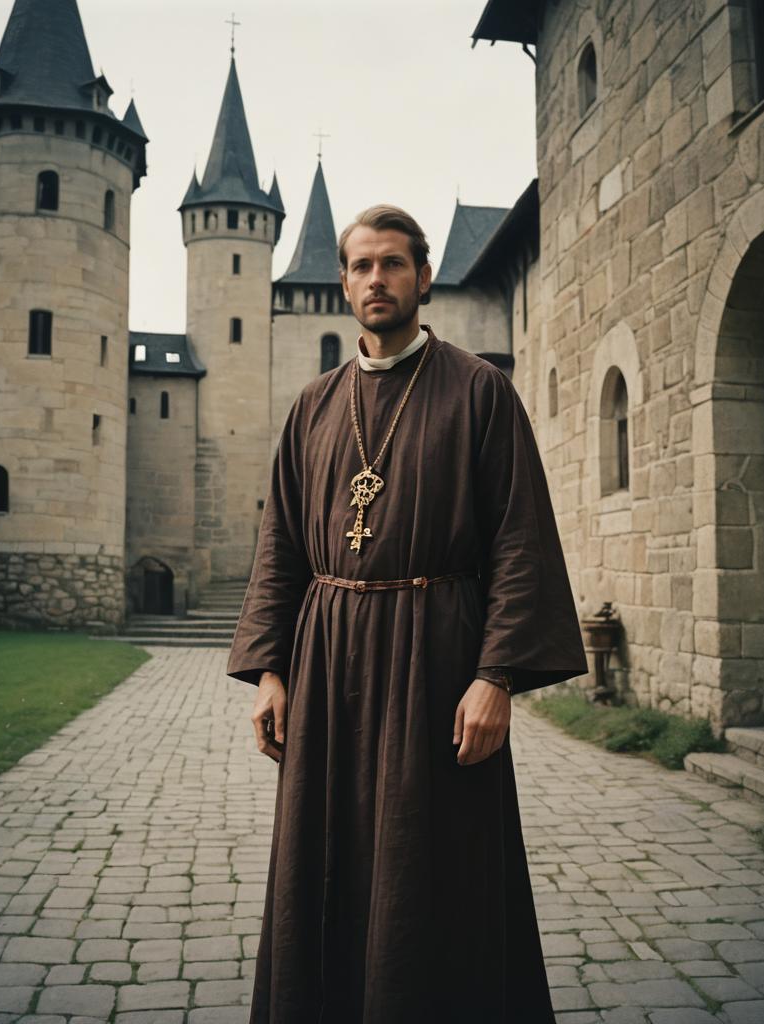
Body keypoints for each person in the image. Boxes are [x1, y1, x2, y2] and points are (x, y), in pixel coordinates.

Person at [227, 204, 588, 1024]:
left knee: (436, 868)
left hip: (438, 663)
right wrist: (270, 672)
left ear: (423, 277)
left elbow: (519, 542)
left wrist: (496, 677)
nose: (376, 279)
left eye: (393, 264)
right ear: (343, 282)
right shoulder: (312, 408)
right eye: (361, 266)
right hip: (325, 669)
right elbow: (280, 547)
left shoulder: (481, 392)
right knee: (324, 865)